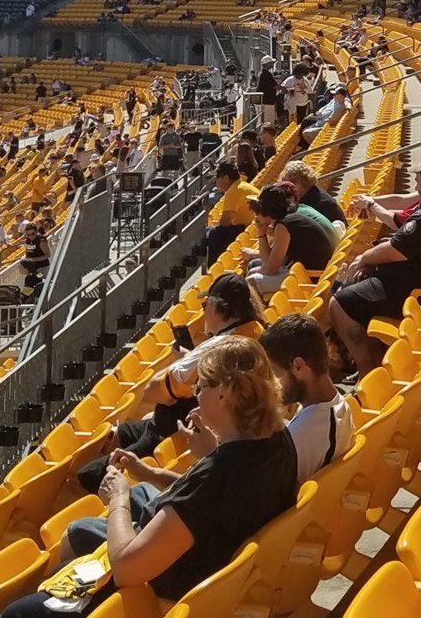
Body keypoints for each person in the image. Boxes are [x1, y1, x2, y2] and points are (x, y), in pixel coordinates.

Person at [0, 336, 298, 618]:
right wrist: (154, 472)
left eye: (202, 385)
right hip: (204, 562)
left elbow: (128, 567)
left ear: (224, 393)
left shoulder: (218, 474)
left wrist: (117, 498)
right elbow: (217, 499)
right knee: (134, 497)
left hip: (155, 590)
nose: (196, 394)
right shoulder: (279, 442)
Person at [77, 273, 263, 489]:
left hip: (173, 430)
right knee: (118, 434)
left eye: (205, 305)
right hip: (172, 421)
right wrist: (187, 358)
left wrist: (185, 364)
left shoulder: (218, 347)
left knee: (86, 475)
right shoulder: (256, 330)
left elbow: (153, 391)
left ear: (215, 308)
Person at [329, 154, 421, 375]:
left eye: (418, 181)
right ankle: (376, 361)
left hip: (418, 293)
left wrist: (365, 258)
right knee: (358, 284)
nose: (416, 187)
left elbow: (393, 251)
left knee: (338, 303)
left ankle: (366, 368)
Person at [262, 313, 354, 483]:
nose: (270, 383)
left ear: (298, 366)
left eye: (273, 373)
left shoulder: (301, 435)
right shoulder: (339, 404)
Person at [249, 183, 337, 288]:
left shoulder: (283, 226)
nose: (255, 217)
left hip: (312, 276)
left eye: (257, 212)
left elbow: (270, 270)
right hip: (311, 271)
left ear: (265, 210)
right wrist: (262, 233)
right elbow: (268, 262)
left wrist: (261, 234)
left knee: (251, 280)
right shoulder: (290, 218)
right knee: (253, 269)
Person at [206, 160, 255, 268]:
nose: (215, 180)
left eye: (218, 177)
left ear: (226, 178)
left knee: (214, 234)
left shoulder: (234, 191)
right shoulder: (241, 185)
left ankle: (213, 268)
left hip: (247, 229)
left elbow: (225, 223)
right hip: (251, 228)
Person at [280, 161, 347, 230]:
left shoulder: (316, 202)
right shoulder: (312, 193)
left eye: (293, 182)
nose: (289, 187)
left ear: (304, 180)